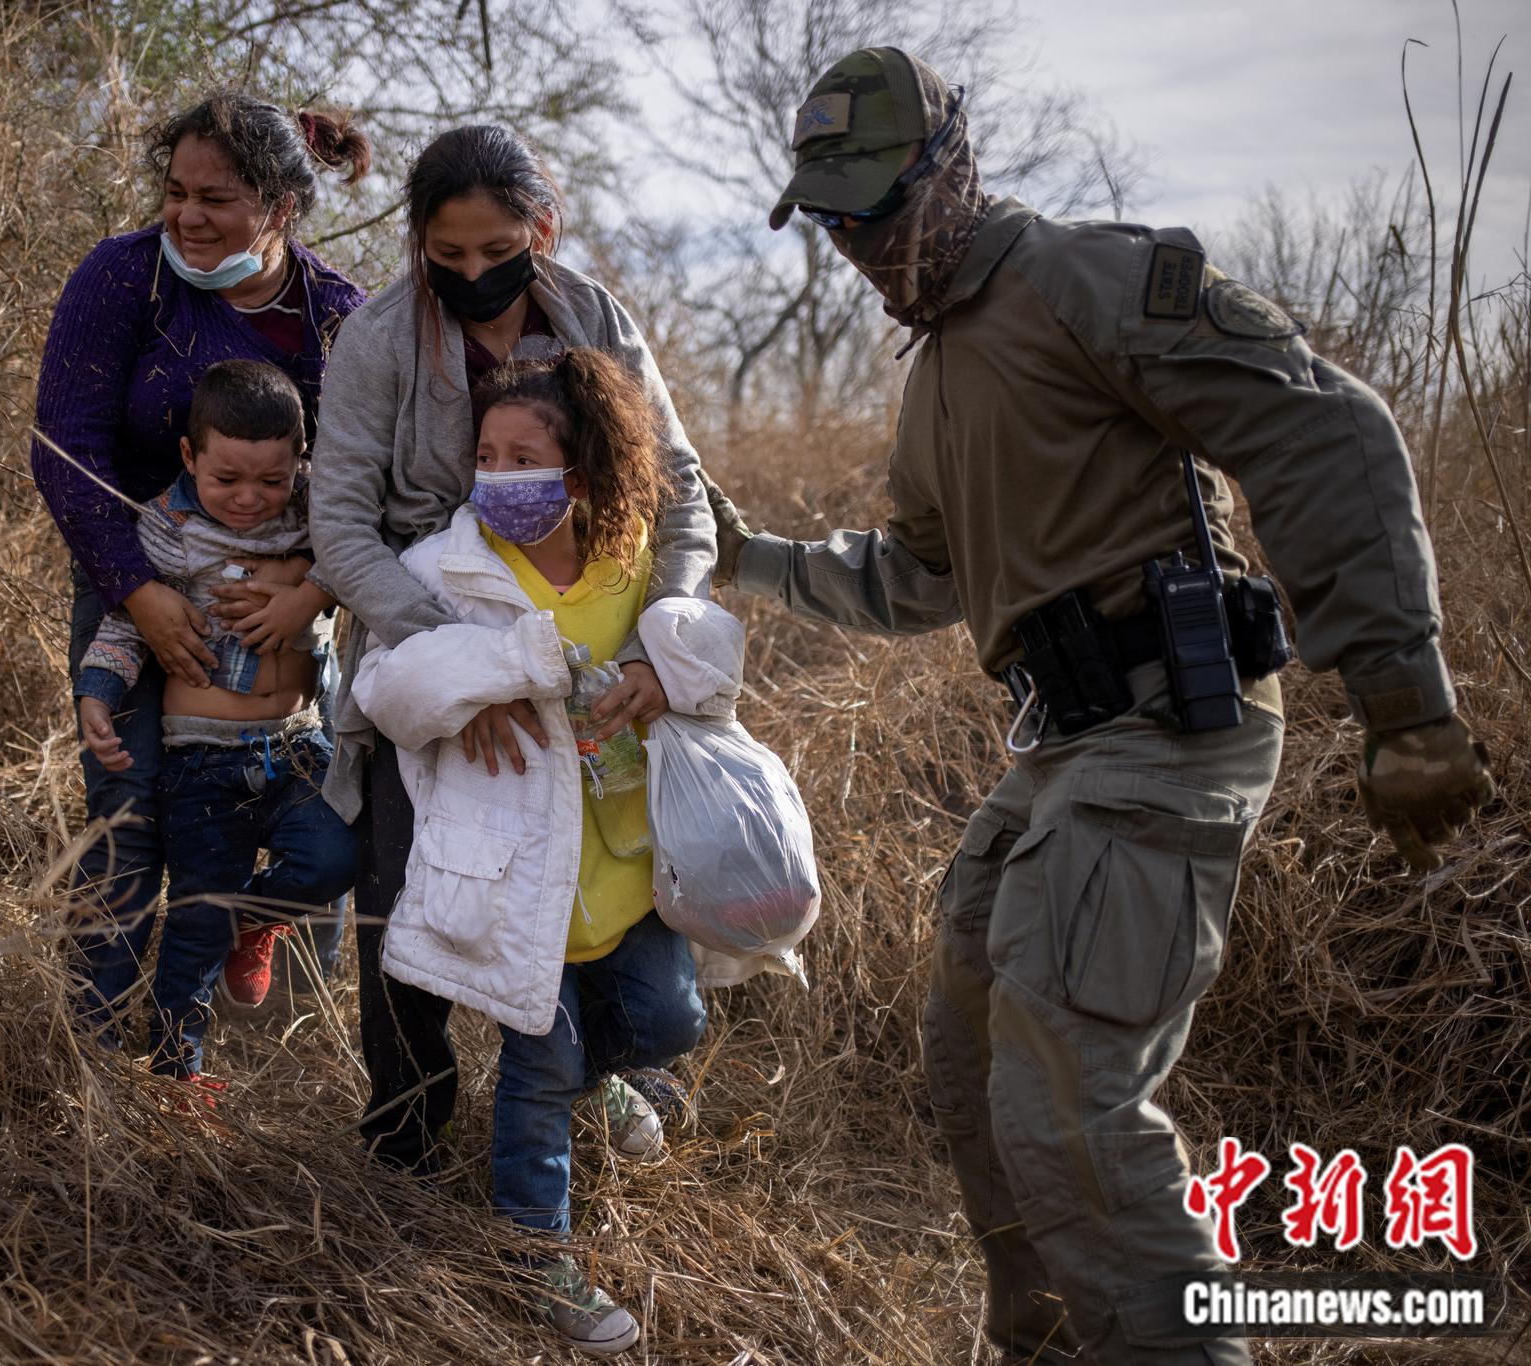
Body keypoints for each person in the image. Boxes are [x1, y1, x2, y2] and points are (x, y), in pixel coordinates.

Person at [715, 46, 1497, 1364]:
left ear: (951, 165)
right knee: (968, 1044)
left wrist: (1405, 704)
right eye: (834, 220)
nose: (858, 243)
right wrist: (750, 559)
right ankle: (1058, 1331)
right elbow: (920, 577)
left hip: (1165, 728)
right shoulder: (935, 377)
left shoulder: (1084, 280)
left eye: (879, 206)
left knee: (1067, 1102)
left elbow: (1322, 431)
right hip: (1065, 748)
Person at [309, 123, 717, 1174]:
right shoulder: (376, 339)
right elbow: (342, 531)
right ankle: (405, 1135)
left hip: (589, 662)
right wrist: (465, 672)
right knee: (404, 900)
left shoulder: (596, 318)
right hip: (421, 646)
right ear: (417, 244)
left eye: (498, 251)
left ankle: (574, 1089)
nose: (475, 276)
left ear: (543, 226)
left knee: (590, 891)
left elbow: (679, 501)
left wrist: (655, 650)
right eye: (447, 258)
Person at [351, 349, 715, 1353]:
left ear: (585, 476)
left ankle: (599, 1083)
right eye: (486, 455)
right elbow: (381, 688)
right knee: (535, 1067)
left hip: (625, 866)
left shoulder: (632, 561)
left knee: (666, 1017)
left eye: (526, 459)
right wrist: (497, 669)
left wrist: (661, 666)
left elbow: (706, 651)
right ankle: (530, 1253)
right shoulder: (447, 571)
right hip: (515, 879)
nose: (499, 477)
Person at [31, 93, 368, 1039]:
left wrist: (309, 591)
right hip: (136, 584)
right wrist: (140, 598)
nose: (186, 216)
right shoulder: (124, 277)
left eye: (216, 199)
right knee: (129, 809)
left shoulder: (339, 320)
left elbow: (370, 486)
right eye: (175, 192)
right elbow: (64, 445)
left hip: (292, 612)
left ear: (281, 207)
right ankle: (96, 1046)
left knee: (314, 816)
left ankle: (288, 1055)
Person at [73, 360, 354, 1080]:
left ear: (301, 460)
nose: (249, 499)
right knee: (193, 930)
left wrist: (300, 583)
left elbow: (364, 551)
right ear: (190, 457)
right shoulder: (168, 531)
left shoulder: (323, 514)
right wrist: (98, 693)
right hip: (202, 759)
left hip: (296, 741)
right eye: (226, 480)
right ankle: (178, 1070)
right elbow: (125, 624)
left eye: (272, 479)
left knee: (339, 853)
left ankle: (252, 918)